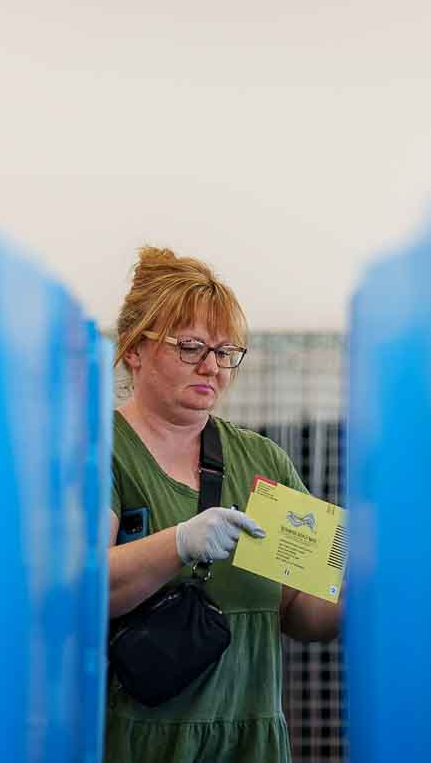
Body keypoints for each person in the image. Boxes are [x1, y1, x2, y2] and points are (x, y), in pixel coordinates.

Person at [106, 246, 342, 763]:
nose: (212, 366)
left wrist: (372, 580)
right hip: (146, 743)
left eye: (226, 351)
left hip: (252, 739)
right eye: (190, 347)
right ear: (134, 350)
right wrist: (179, 542)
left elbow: (304, 615)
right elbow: (88, 585)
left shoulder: (263, 461)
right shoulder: (101, 452)